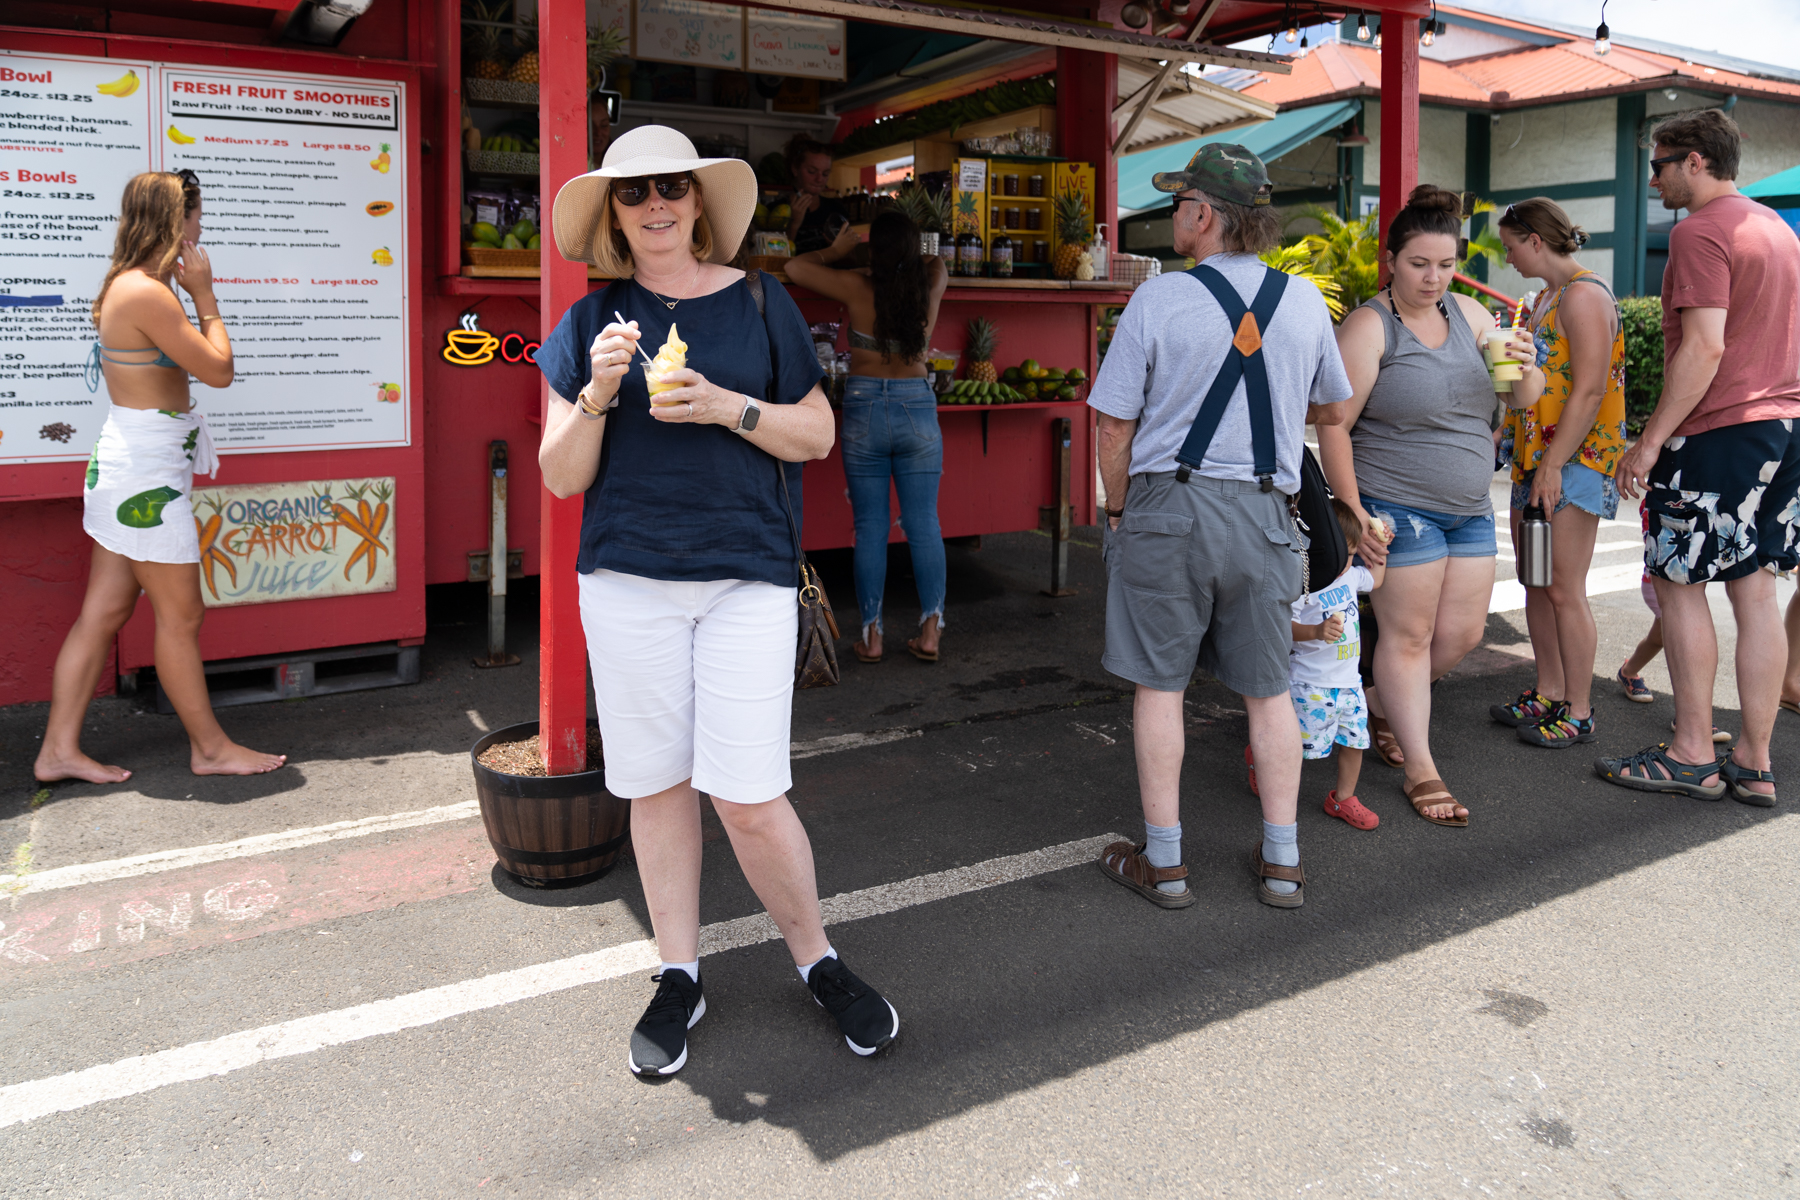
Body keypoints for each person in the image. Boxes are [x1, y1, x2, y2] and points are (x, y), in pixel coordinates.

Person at [536, 125, 900, 1077]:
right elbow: (560, 477)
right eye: (634, 192)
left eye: (672, 187)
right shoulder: (589, 325)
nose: (655, 205)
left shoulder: (760, 301)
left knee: (746, 793)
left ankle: (816, 958)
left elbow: (817, 433)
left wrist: (726, 408)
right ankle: (678, 971)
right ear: (614, 212)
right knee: (656, 786)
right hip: (625, 581)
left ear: (698, 201)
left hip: (746, 577)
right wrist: (597, 397)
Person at [1087, 143, 1351, 910]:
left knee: (1160, 686)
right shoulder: (1302, 302)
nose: (1173, 216)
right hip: (1268, 512)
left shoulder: (1159, 300)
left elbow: (1113, 427)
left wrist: (1114, 510)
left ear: (1204, 214)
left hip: (1171, 508)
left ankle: (1165, 864)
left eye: (1177, 204)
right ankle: (1282, 862)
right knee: (1270, 693)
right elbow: (1331, 407)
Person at [33, 170, 286, 786]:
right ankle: (210, 749)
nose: (201, 231)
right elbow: (220, 370)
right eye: (196, 218)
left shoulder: (130, 285)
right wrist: (205, 296)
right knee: (181, 617)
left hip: (134, 465)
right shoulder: (148, 292)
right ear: (176, 222)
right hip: (144, 476)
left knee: (105, 610)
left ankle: (58, 751)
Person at [1319, 185, 1542, 827]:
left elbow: (1519, 396)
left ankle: (1377, 705)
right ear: (1392, 259)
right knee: (1410, 636)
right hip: (1397, 504)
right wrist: (1355, 512)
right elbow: (1333, 423)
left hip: (1470, 504)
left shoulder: (1471, 316)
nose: (1433, 277)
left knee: (1462, 634)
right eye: (1420, 263)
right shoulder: (1369, 325)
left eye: (1446, 265)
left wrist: (1525, 366)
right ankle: (1422, 768)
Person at [1599, 109, 1800, 807]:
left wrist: (1650, 441)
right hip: (1785, 427)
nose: (1652, 179)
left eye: (1658, 165)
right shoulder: (1775, 229)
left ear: (1693, 162)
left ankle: (1690, 751)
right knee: (1757, 594)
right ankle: (1753, 760)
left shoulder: (1699, 231)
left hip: (1721, 431)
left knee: (1680, 585)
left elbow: (1705, 346)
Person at [1491, 198, 1630, 748]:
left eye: (1509, 246)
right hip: (1537, 460)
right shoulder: (1546, 298)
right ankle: (1549, 690)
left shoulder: (1585, 296)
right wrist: (1508, 428)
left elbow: (1592, 389)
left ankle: (1580, 708)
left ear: (1534, 240)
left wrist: (1551, 465)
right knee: (1536, 580)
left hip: (1571, 464)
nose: (1507, 257)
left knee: (1565, 588)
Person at [786, 210, 950, 663]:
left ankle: (872, 637)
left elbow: (795, 268)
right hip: (916, 403)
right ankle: (931, 631)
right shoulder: (930, 279)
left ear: (873, 250)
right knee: (924, 524)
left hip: (864, 408)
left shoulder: (856, 285)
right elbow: (937, 265)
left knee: (870, 529)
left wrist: (838, 254)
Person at [1247, 500, 1388, 831]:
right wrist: (1316, 632)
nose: (1347, 564)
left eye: (1352, 555)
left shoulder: (1351, 577)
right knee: (1294, 746)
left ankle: (1343, 797)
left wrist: (1380, 545)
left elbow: (1377, 580)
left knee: (1355, 742)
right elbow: (1285, 627)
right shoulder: (1304, 582)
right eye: (1343, 555)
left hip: (1350, 684)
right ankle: (1261, 758)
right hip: (1310, 684)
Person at [782, 133, 847, 255]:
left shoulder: (836, 209)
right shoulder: (777, 210)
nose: (819, 179)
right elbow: (772, 258)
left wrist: (837, 248)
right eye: (812, 172)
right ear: (795, 169)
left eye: (825, 174)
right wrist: (794, 224)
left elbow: (851, 261)